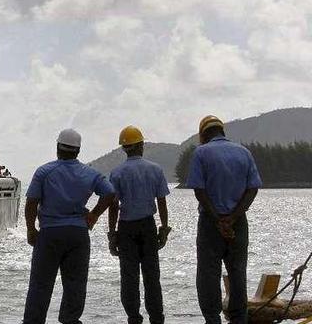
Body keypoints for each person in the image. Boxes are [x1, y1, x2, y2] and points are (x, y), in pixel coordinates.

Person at [22, 128, 115, 324]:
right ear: (78, 151)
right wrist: (94, 215)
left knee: (40, 285)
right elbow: (109, 193)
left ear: (57, 147)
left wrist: (31, 229)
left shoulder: (44, 172)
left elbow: (31, 202)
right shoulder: (90, 173)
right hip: (78, 235)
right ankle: (70, 320)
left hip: (49, 234)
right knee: (75, 285)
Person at [187, 115, 262, 324]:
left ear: (203, 135)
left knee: (208, 275)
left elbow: (199, 191)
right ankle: (239, 319)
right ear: (222, 131)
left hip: (211, 223)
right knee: (238, 273)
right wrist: (233, 218)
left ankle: (212, 319)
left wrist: (219, 220)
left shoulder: (201, 153)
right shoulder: (244, 153)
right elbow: (252, 188)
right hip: (238, 223)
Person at [107, 126, 171, 324]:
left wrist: (112, 234)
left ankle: (134, 318)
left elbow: (114, 206)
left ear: (125, 149)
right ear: (141, 145)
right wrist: (164, 229)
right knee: (152, 277)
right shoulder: (155, 170)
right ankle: (157, 318)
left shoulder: (117, 173)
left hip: (126, 228)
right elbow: (162, 202)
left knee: (129, 278)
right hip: (148, 227)